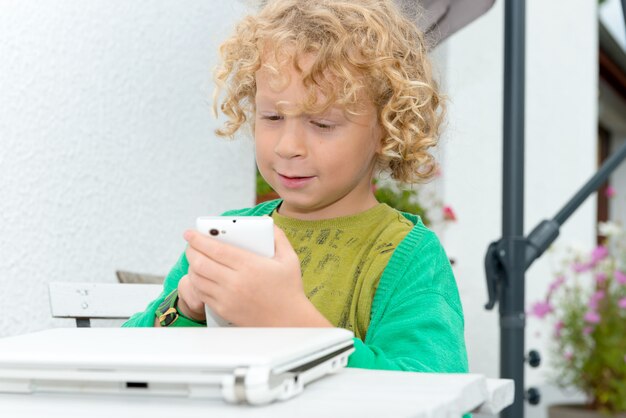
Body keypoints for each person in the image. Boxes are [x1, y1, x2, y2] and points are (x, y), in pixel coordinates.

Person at [124, 0, 468, 374]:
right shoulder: (227, 242)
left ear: (387, 129)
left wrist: (291, 319)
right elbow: (128, 365)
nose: (288, 146)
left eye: (322, 123)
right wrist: (187, 304)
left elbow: (438, 396)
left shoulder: (409, 258)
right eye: (271, 116)